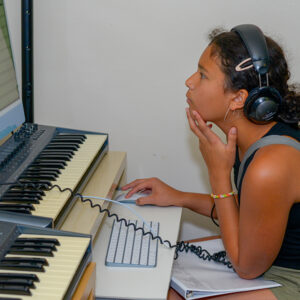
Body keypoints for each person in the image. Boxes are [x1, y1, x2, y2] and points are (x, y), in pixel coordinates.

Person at [122, 25, 300, 300]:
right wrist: (179, 197)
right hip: (265, 260)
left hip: (288, 276)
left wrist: (219, 174)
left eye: (203, 75)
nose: (190, 81)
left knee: (161, 294)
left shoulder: (271, 164)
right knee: (157, 277)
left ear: (239, 98)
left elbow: (246, 267)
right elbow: (247, 213)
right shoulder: (252, 140)